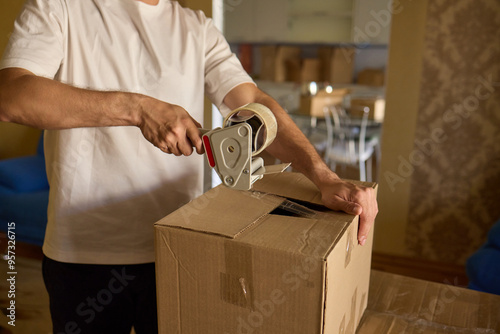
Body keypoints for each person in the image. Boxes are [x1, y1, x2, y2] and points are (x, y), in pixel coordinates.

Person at [0, 0, 378, 333]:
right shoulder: (60, 6)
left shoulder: (196, 27)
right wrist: (138, 109)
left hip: (178, 247)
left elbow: (255, 105)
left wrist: (323, 176)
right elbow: (11, 96)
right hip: (83, 256)